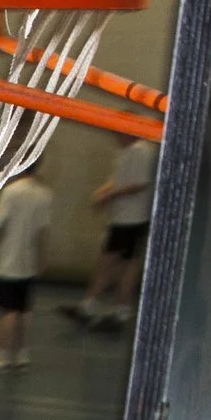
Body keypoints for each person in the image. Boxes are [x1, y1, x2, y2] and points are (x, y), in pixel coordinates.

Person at [64, 139, 154, 330]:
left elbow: (139, 183)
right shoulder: (127, 151)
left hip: (132, 219)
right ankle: (105, 306)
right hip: (123, 218)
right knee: (118, 263)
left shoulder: (140, 151)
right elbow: (121, 179)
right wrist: (105, 191)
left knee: (118, 264)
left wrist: (111, 194)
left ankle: (109, 307)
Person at [0, 167, 55, 374]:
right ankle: (20, 354)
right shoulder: (45, 193)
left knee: (7, 310)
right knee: (23, 309)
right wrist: (42, 259)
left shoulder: (11, 191)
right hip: (28, 260)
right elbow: (43, 231)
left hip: (9, 261)